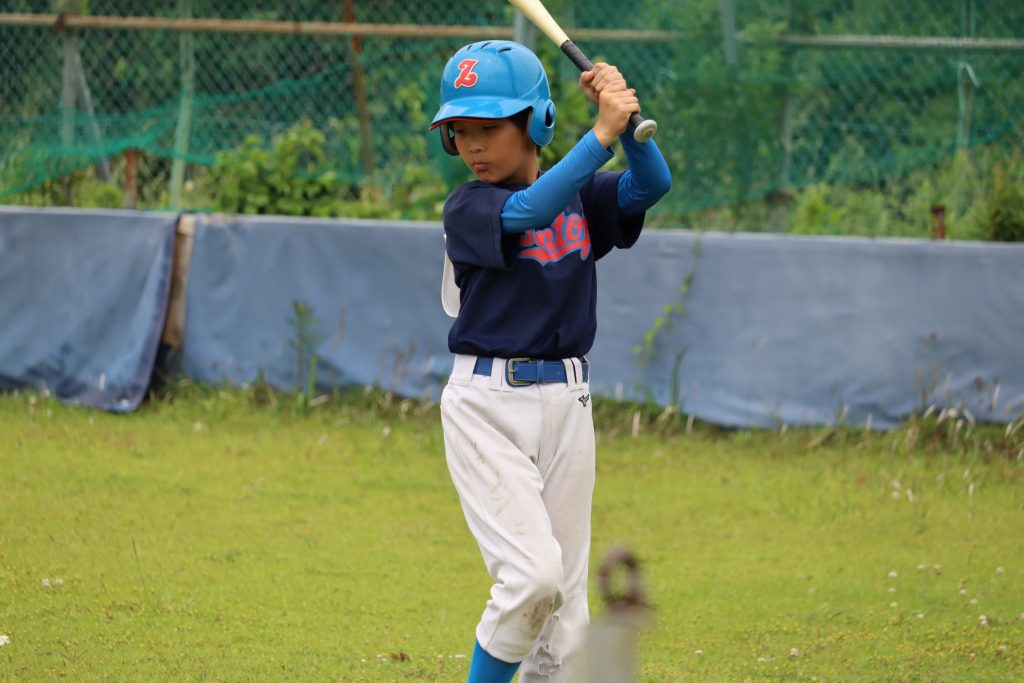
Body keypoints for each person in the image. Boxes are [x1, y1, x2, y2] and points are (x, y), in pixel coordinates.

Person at [429, 40, 671, 683]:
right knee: (532, 579)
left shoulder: (581, 195)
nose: (473, 146)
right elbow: (529, 209)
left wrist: (628, 121)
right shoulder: (469, 206)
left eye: (488, 128)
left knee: (567, 613)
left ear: (536, 123)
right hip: (487, 406)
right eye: (460, 131)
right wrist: (600, 134)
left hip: (567, 403)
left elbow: (652, 184)